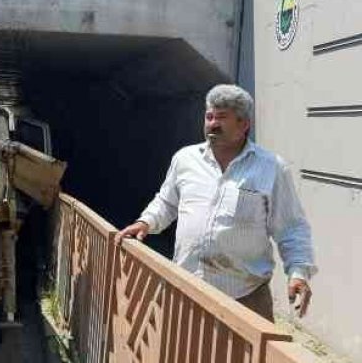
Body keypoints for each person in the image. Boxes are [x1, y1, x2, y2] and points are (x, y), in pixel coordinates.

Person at [115, 85, 316, 321]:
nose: (212, 123)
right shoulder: (185, 159)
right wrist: (146, 222)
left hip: (244, 298)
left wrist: (298, 271)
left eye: (222, 117)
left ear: (244, 124)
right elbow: (167, 202)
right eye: (209, 116)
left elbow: (291, 227)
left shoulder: (271, 168)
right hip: (186, 288)